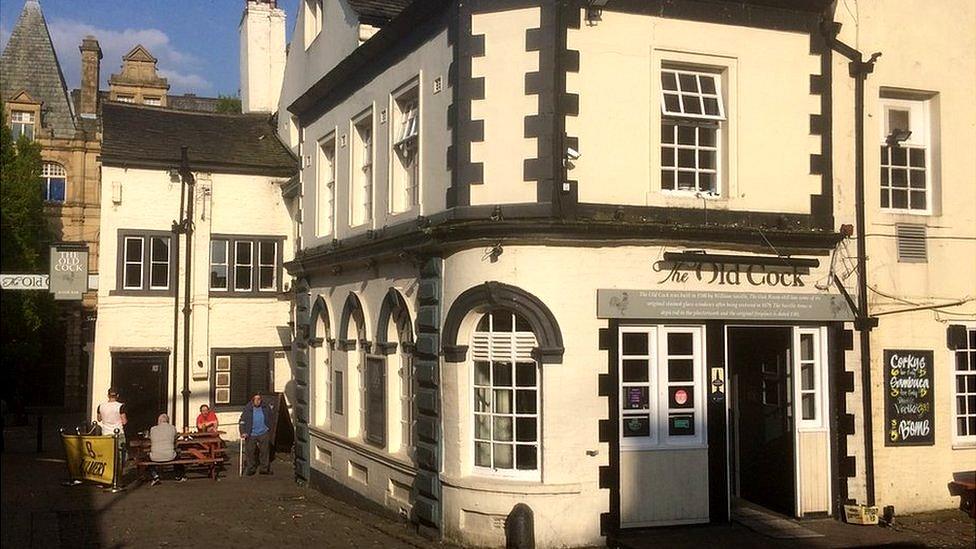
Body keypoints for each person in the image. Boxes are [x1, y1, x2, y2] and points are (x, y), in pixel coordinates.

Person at [238, 394, 272, 475]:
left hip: (263, 432)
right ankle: (251, 468)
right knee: (250, 452)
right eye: (256, 399)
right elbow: (242, 421)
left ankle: (264, 468)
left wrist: (269, 427)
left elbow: (271, 417)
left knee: (265, 451)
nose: (258, 401)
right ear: (252, 400)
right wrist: (243, 432)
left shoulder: (265, 407)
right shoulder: (247, 409)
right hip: (251, 433)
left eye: (259, 399)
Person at [148, 413, 184, 486]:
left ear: (159, 421)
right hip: (170, 455)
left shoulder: (153, 429)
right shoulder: (172, 428)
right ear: (168, 421)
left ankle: (155, 476)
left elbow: (151, 440)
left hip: (155, 456)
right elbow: (175, 442)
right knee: (178, 454)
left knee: (147, 458)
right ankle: (178, 476)